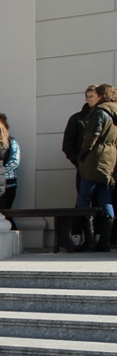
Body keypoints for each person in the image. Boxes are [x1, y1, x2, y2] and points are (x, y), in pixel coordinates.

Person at [74, 83, 117, 252]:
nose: (88, 100)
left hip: (95, 160)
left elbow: (91, 137)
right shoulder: (114, 112)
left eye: (92, 96)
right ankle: (104, 242)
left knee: (84, 200)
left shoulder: (100, 112)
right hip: (110, 161)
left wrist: (82, 156)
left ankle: (90, 241)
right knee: (106, 200)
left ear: (101, 96)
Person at [63, 85, 97, 194]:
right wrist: (79, 162)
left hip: (104, 168)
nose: (93, 99)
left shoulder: (109, 117)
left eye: (95, 96)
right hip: (84, 169)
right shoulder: (77, 119)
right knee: (84, 200)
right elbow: (68, 145)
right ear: (86, 99)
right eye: (90, 96)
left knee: (104, 201)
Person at [0, 113, 21, 211]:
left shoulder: (12, 142)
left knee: (5, 213)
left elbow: (15, 161)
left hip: (8, 183)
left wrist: (0, 174)